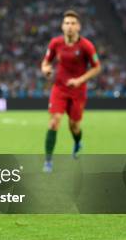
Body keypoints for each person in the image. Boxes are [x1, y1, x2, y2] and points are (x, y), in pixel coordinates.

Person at [41, 10, 101, 172]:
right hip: (59, 88)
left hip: (78, 91)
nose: (69, 26)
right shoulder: (55, 43)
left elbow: (97, 68)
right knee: (54, 121)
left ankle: (77, 142)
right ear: (62, 26)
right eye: (67, 23)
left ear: (79, 27)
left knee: (74, 126)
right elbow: (46, 62)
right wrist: (46, 69)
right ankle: (48, 161)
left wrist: (79, 80)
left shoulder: (86, 46)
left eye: (73, 23)